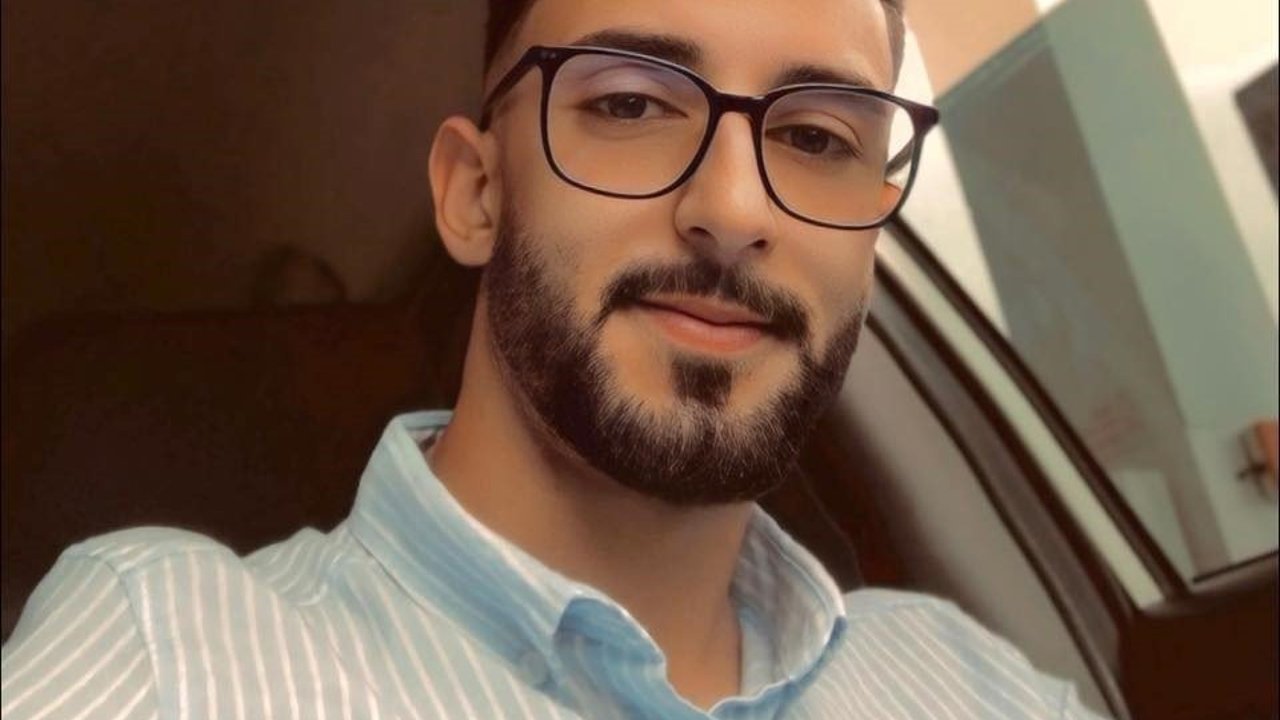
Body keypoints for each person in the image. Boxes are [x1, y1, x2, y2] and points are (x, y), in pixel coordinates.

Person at [1, 0, 1110, 717]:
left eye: (817, 138)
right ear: (476, 195)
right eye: (630, 104)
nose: (734, 209)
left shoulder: (985, 689)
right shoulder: (167, 655)